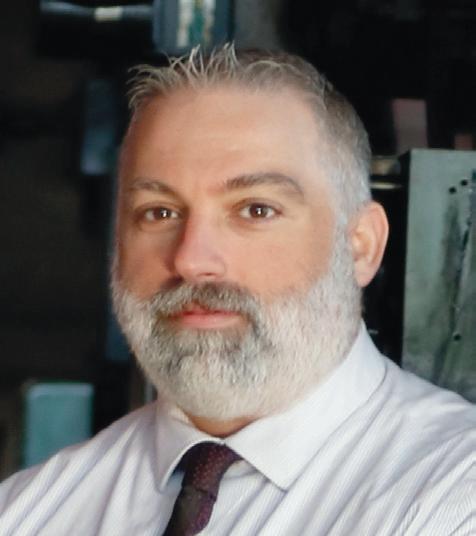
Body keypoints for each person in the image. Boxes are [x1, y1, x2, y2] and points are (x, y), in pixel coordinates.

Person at [0, 45, 474, 535]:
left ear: (359, 246)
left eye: (255, 210)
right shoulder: (27, 513)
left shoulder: (455, 499)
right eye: (159, 212)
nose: (191, 260)